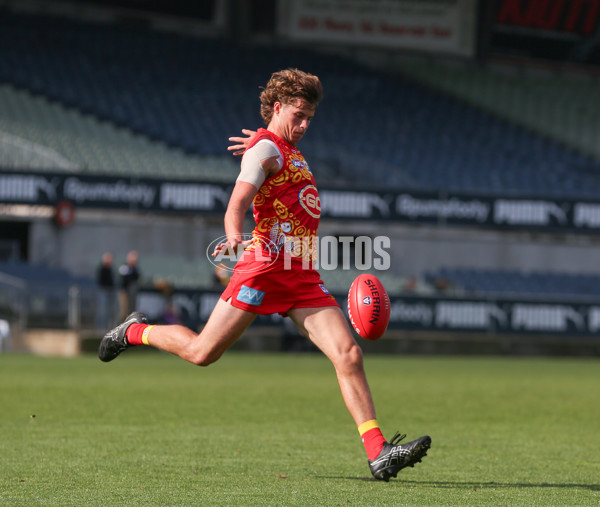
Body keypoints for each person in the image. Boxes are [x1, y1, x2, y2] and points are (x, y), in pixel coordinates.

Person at [99, 68, 430, 481]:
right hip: (263, 269)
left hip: (301, 273)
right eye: (299, 114)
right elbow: (238, 200)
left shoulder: (283, 148)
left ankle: (378, 451)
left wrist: (266, 141)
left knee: (349, 354)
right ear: (278, 107)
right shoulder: (266, 150)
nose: (305, 124)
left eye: (310, 116)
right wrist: (234, 234)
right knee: (203, 353)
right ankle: (133, 332)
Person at [117, 250, 140, 322]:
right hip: (124, 292)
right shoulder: (124, 267)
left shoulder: (135, 269)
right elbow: (124, 278)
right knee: (124, 311)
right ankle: (120, 326)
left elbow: (137, 277)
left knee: (131, 310)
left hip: (132, 292)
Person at [96, 252, 116, 329]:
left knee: (110, 310)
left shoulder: (111, 269)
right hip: (103, 291)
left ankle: (109, 327)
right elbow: (101, 280)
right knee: (102, 310)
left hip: (110, 291)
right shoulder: (102, 269)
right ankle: (101, 327)